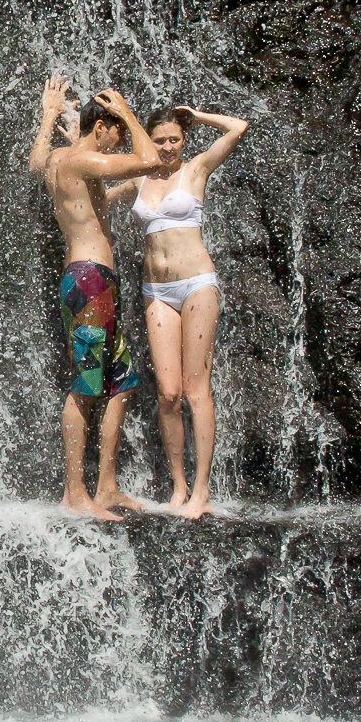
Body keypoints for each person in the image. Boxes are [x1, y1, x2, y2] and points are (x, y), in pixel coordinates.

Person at [28, 77, 166, 522]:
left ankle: (106, 487)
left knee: (122, 381)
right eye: (118, 131)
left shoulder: (62, 160)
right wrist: (128, 113)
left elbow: (37, 165)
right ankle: (74, 492)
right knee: (88, 383)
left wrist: (50, 116)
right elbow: (148, 159)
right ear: (102, 125)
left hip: (95, 280)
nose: (120, 141)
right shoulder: (83, 159)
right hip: (88, 279)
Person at [110, 105, 250, 519]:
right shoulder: (138, 176)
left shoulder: (196, 170)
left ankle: (202, 491)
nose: (169, 147)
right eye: (160, 140)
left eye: (175, 138)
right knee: (168, 393)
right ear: (148, 140)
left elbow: (238, 128)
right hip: (156, 290)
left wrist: (197, 116)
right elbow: (93, 183)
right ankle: (178, 487)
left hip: (196, 285)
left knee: (195, 390)